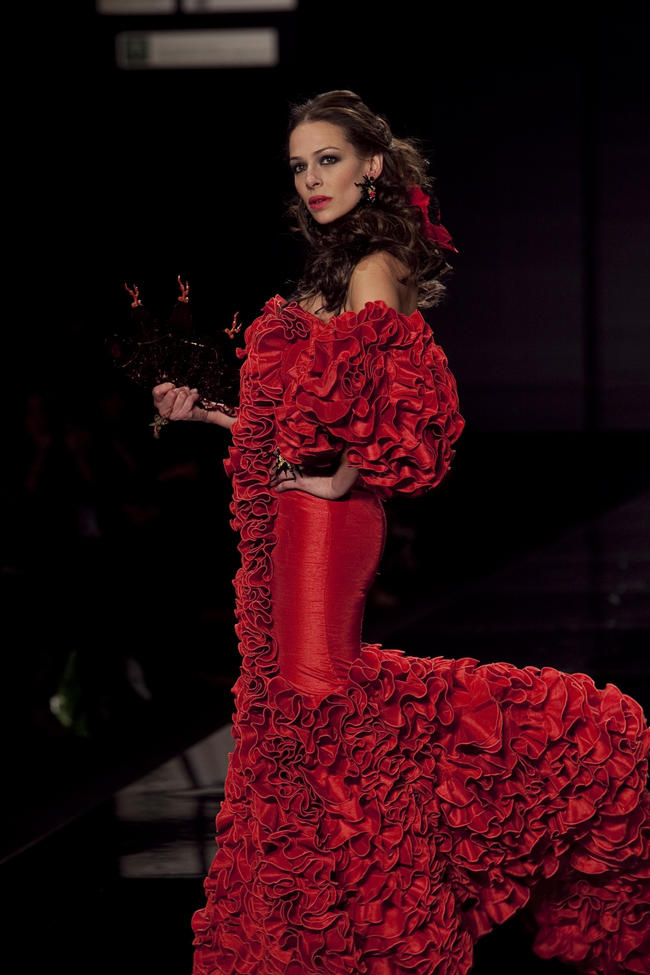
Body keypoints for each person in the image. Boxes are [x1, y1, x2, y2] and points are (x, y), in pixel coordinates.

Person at [151, 91, 649, 974]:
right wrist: (216, 415)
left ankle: (362, 930)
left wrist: (338, 477)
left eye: (328, 159)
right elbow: (302, 415)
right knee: (297, 709)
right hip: (289, 522)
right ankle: (325, 931)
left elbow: (403, 409)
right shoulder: (333, 270)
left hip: (325, 526)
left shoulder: (374, 268)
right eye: (299, 166)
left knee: (316, 701)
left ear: (372, 164)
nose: (311, 180)